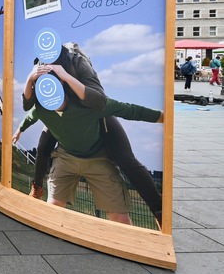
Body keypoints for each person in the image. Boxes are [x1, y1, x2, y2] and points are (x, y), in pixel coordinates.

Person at [21, 43, 164, 227]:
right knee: (43, 147)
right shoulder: (43, 85)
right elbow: (29, 109)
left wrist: (162, 117)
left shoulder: (78, 65)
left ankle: (158, 211)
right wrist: (30, 80)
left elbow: (125, 108)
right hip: (66, 136)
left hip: (92, 108)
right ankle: (37, 186)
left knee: (126, 159)